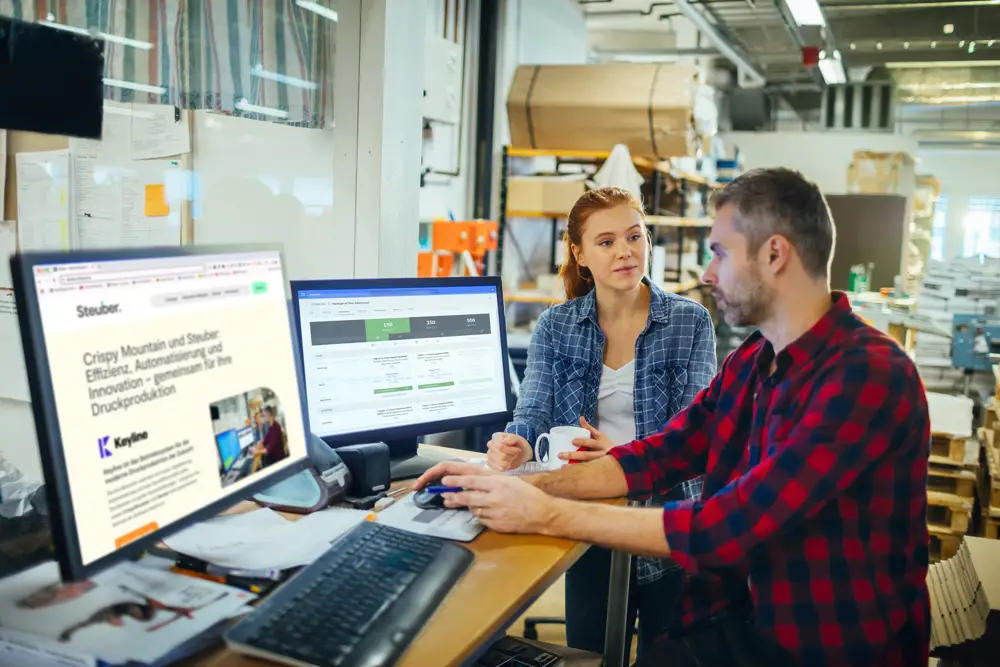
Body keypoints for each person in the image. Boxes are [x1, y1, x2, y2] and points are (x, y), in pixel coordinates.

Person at [416, 168, 931, 667]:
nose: (707, 275)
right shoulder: (754, 362)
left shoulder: (866, 374)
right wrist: (513, 486)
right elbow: (660, 453)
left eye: (720, 254)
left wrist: (544, 512)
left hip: (820, 645)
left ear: (774, 255)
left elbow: (732, 525)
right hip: (744, 620)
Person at [486, 186, 717, 656]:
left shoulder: (690, 323)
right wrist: (517, 445)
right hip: (587, 517)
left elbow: (696, 436)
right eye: (606, 242)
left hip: (666, 524)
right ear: (580, 254)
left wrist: (621, 456)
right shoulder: (557, 326)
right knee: (589, 653)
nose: (625, 252)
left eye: (634, 236)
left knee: (668, 656)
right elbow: (531, 413)